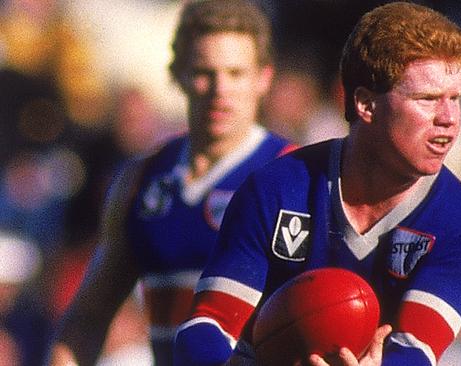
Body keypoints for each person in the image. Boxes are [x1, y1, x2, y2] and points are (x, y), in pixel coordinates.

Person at [174, 2, 461, 365]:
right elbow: (206, 326)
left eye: (455, 98)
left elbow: (415, 352)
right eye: (428, 99)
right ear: (366, 105)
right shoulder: (276, 189)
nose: (449, 118)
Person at [48, 1, 293, 365]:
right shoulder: (140, 181)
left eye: (236, 73)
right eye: (203, 72)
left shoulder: (294, 173)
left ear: (264, 78)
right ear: (177, 74)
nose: (219, 89)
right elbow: (88, 317)